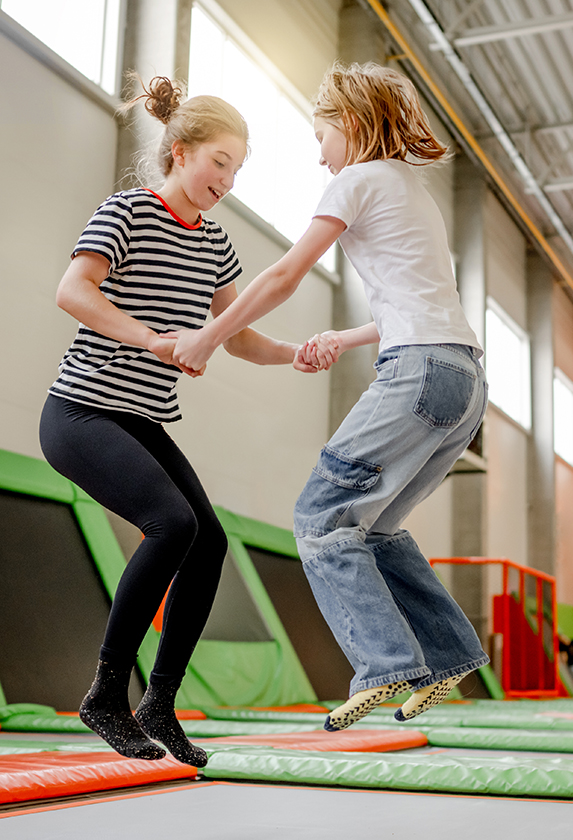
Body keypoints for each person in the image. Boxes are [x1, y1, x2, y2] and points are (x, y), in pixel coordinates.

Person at [169, 62, 490, 731]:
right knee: (375, 527)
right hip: (463, 381)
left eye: (322, 137)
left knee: (320, 516)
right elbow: (419, 304)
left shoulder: (356, 179)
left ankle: (384, 666)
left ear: (350, 122)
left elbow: (287, 273)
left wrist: (209, 335)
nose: (319, 155)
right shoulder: (411, 190)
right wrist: (341, 339)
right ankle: (451, 653)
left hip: (417, 372)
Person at [39, 76, 330, 766]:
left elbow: (236, 336)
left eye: (237, 169)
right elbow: (71, 290)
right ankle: (107, 694)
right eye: (219, 162)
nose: (226, 180)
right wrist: (151, 339)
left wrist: (296, 354)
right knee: (174, 523)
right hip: (81, 410)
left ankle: (159, 705)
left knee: (209, 541)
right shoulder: (128, 211)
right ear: (179, 150)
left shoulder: (216, 245)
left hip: (142, 419)